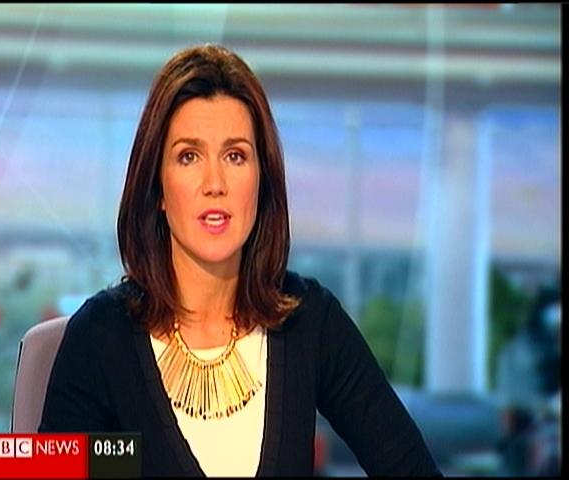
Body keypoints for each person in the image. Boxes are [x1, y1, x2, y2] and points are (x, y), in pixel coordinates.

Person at [39, 43, 442, 477]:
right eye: (189, 156)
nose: (215, 183)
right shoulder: (100, 339)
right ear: (157, 188)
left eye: (235, 156)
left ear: (261, 180)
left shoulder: (309, 324)